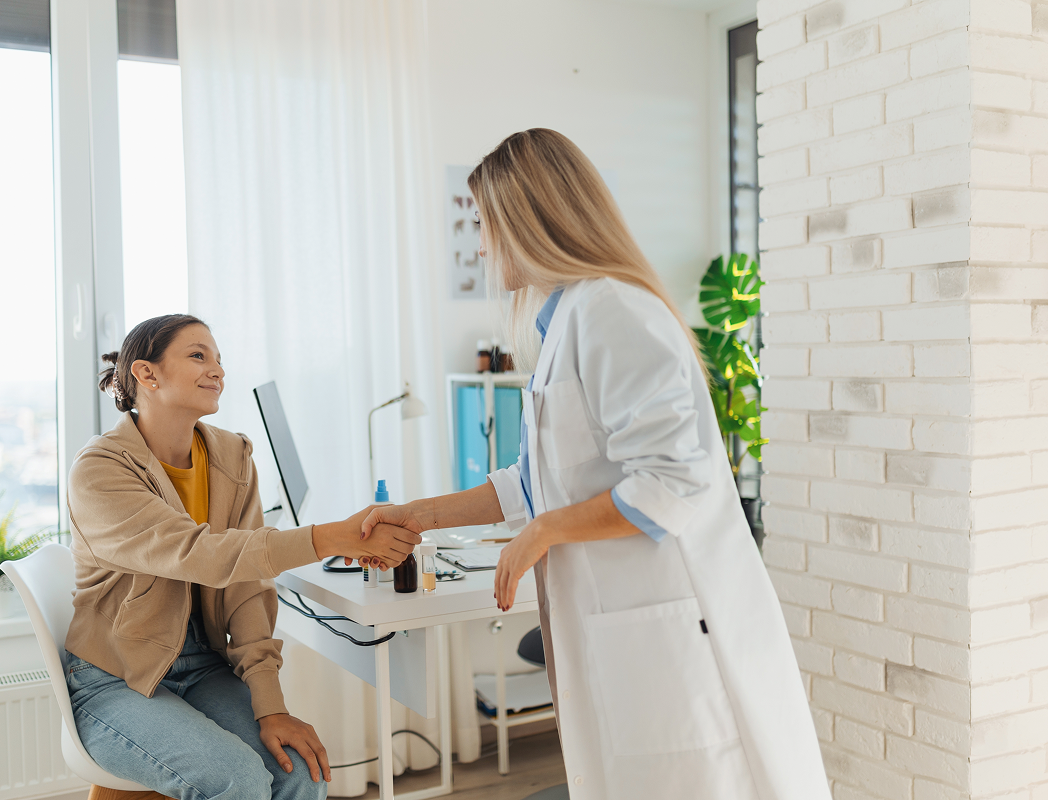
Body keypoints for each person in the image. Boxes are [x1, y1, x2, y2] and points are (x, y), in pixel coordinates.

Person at [361, 130, 830, 799]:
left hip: (669, 622)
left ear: (528, 219)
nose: (483, 242)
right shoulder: (567, 320)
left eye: (485, 224)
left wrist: (544, 533)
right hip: (623, 626)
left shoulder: (612, 311)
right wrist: (419, 516)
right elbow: (532, 482)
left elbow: (673, 481)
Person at [64, 314, 420, 800]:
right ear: (147, 375)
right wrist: (331, 537)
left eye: (219, 359)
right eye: (198, 356)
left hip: (203, 664)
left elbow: (245, 586)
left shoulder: (230, 455)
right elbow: (200, 554)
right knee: (239, 778)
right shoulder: (100, 471)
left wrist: (271, 706)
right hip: (115, 678)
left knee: (297, 767)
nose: (218, 371)